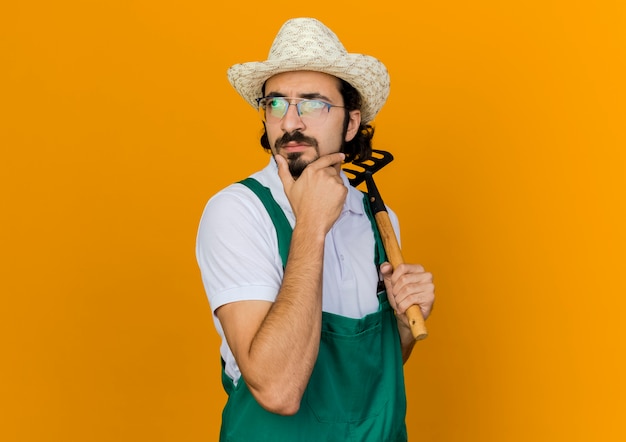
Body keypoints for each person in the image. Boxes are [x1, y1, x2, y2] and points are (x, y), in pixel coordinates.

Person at [196, 17, 435, 441]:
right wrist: (311, 224)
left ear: (350, 123)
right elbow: (277, 388)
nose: (291, 123)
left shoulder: (379, 222)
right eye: (276, 104)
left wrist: (401, 326)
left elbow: (371, 376)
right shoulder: (237, 212)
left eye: (312, 104)